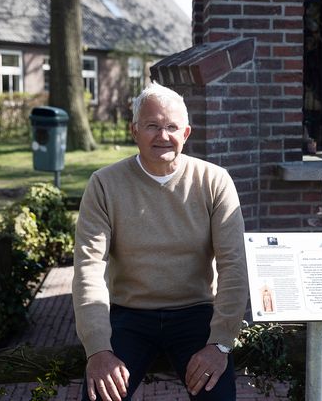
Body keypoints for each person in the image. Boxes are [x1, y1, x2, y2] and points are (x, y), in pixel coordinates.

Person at [72, 82, 249, 401]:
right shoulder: (104, 184)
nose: (162, 135)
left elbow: (234, 265)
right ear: (134, 130)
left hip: (195, 313)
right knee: (99, 397)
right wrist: (97, 348)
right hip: (130, 314)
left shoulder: (214, 181)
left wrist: (220, 343)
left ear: (186, 133)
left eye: (171, 127)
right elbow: (88, 270)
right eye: (152, 125)